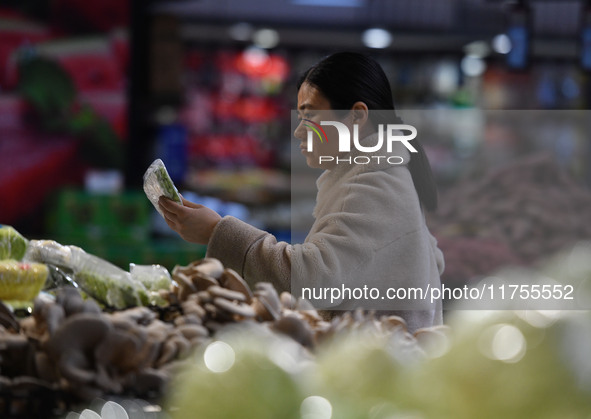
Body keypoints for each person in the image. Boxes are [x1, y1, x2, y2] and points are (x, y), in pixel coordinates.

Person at [159, 52, 444, 331]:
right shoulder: (378, 176)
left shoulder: (377, 185)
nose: (299, 131)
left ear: (357, 117)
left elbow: (313, 280)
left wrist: (217, 232)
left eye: (311, 116)